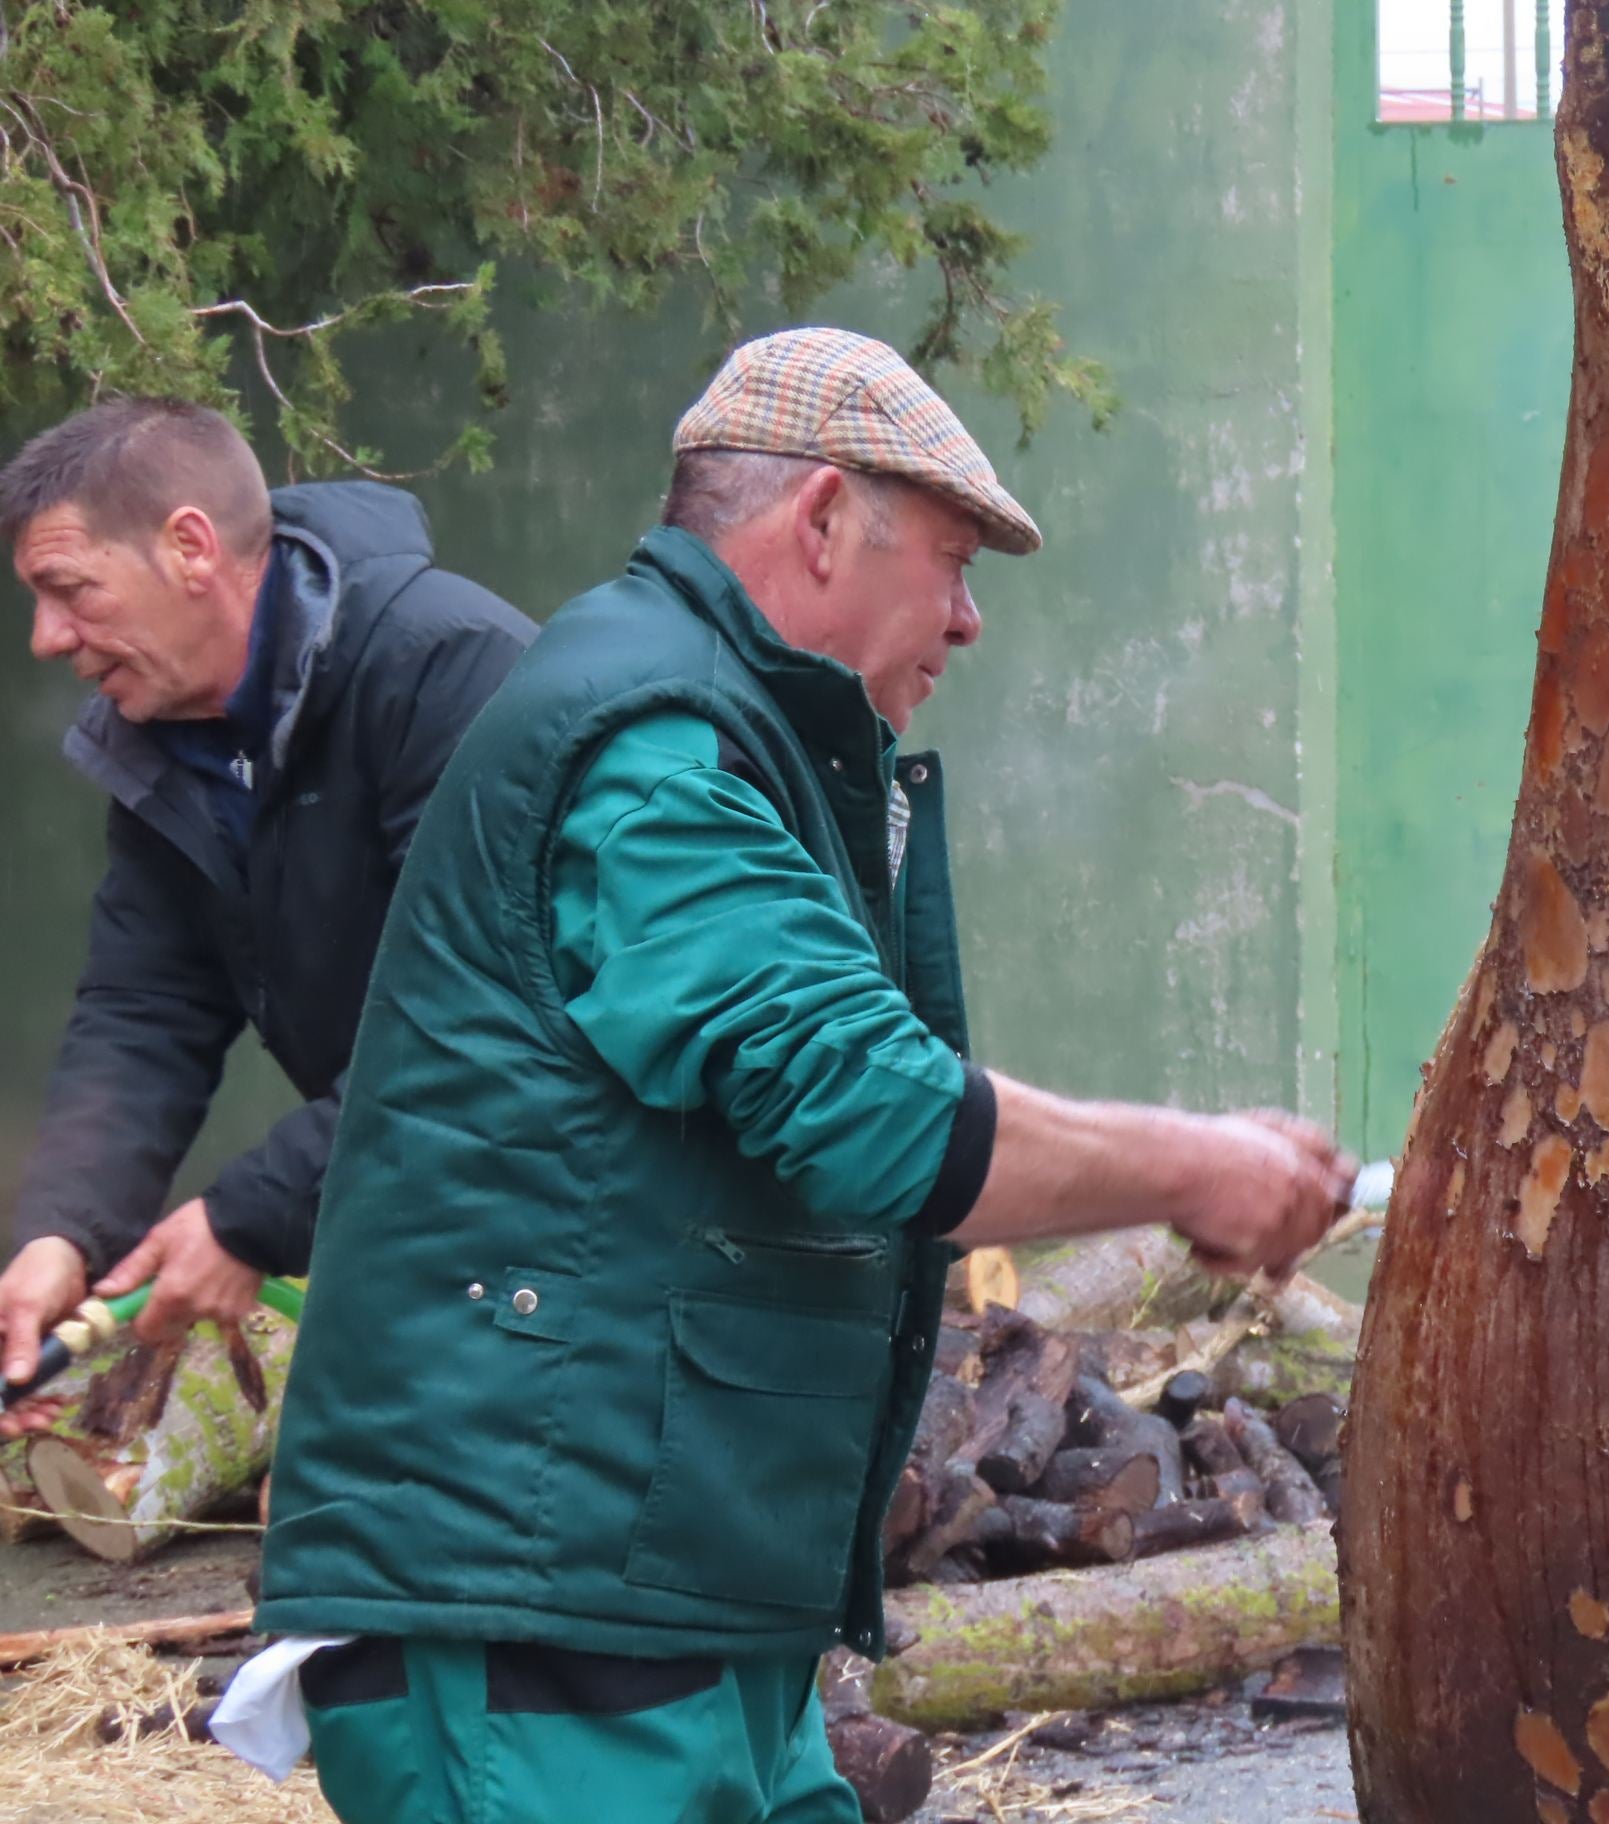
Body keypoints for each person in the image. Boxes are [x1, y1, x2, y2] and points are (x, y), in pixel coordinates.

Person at [250, 328, 1355, 1824]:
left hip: (674, 1614)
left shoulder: (731, 735)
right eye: (954, 563)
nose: (967, 623)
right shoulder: (654, 744)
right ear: (823, 518)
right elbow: (879, 1113)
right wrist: (1199, 1166)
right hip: (540, 1620)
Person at [0, 400, 534, 1434]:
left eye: (68, 591)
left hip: (572, 1239)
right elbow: (144, 1010)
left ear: (190, 547)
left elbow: (488, 1014)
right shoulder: (160, 734)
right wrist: (60, 1237)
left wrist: (249, 1217)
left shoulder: (446, 669)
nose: (45, 638)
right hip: (414, 1221)